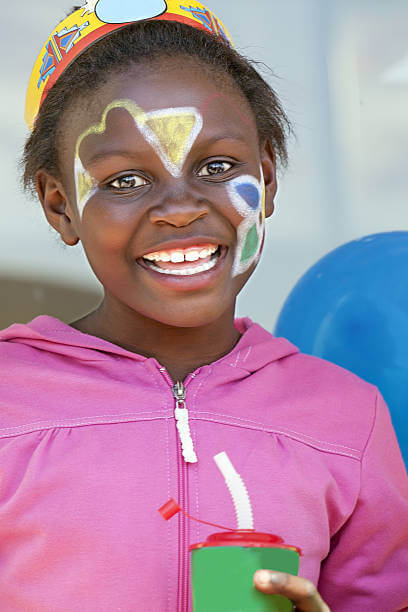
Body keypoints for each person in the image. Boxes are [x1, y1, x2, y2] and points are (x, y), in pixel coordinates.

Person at [1, 1, 407, 610]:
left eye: (217, 166)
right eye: (126, 182)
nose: (181, 207)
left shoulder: (348, 420)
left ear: (266, 178)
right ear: (61, 206)